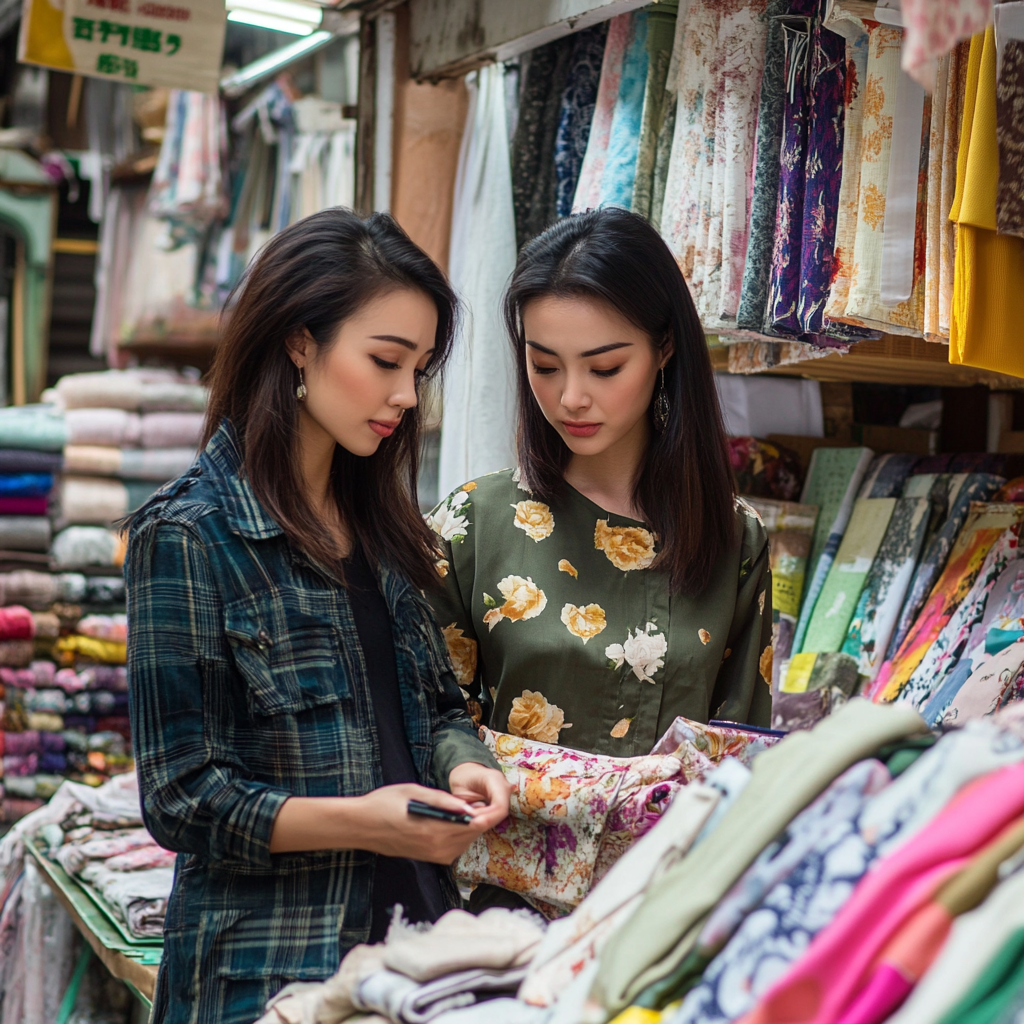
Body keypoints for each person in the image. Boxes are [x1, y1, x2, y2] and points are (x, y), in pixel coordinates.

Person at [125, 209, 511, 1024]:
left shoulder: (381, 522)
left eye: (419, 369)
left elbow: (432, 706)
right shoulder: (190, 533)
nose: (406, 396)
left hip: (413, 957)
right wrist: (368, 825)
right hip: (269, 975)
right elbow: (181, 796)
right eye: (384, 361)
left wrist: (461, 762)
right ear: (301, 341)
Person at [428, 208, 773, 761]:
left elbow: (745, 753)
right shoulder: (472, 523)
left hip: (676, 847)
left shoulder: (734, 536)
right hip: (498, 840)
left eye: (605, 368)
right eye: (544, 366)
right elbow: (427, 728)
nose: (571, 398)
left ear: (664, 349)